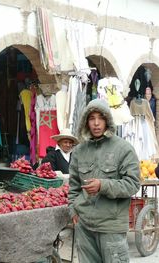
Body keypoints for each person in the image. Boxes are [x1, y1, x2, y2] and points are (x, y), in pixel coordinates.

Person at [68, 99, 140, 263]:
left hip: (111, 227)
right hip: (84, 226)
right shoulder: (79, 151)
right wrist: (73, 210)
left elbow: (133, 184)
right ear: (86, 121)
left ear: (108, 120)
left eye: (100, 118)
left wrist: (103, 185)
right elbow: (73, 186)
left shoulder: (123, 148)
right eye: (92, 118)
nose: (96, 123)